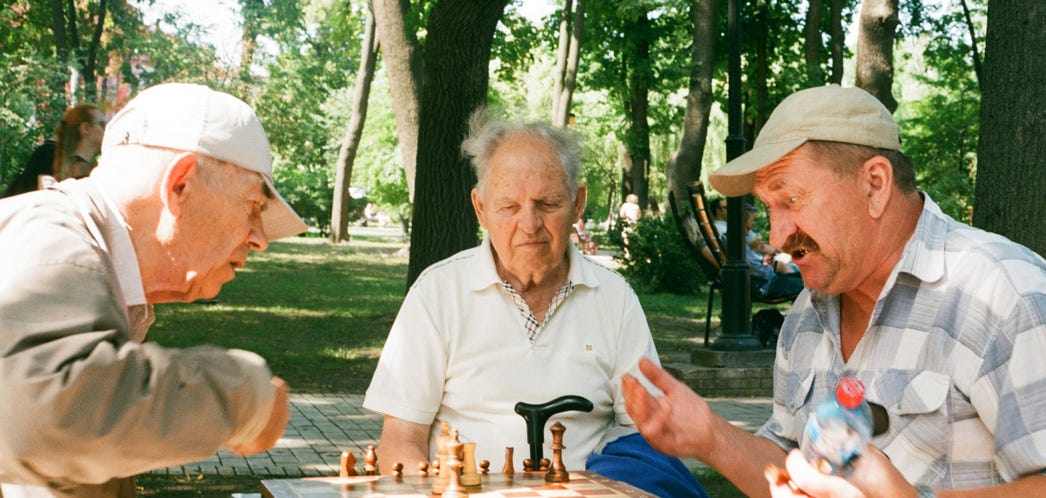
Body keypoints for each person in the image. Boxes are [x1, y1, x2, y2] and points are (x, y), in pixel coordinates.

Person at [621, 85, 1046, 498]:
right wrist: (710, 436)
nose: (779, 234)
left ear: (874, 185)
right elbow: (787, 467)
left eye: (791, 199)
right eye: (769, 207)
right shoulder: (809, 312)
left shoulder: (1003, 293)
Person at [363, 113, 707, 498]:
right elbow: (400, 441)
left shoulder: (614, 297)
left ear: (578, 203)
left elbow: (645, 437)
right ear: (480, 208)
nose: (529, 223)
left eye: (548, 203)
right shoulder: (437, 294)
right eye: (508, 206)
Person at [0, 83, 309, 497]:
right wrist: (243, 396)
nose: (259, 239)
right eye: (254, 206)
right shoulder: (50, 238)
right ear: (180, 185)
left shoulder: (83, 254)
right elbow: (48, 414)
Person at [2, 103, 106, 198]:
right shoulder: (48, 155)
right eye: (102, 124)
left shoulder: (92, 169)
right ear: (85, 128)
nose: (107, 129)